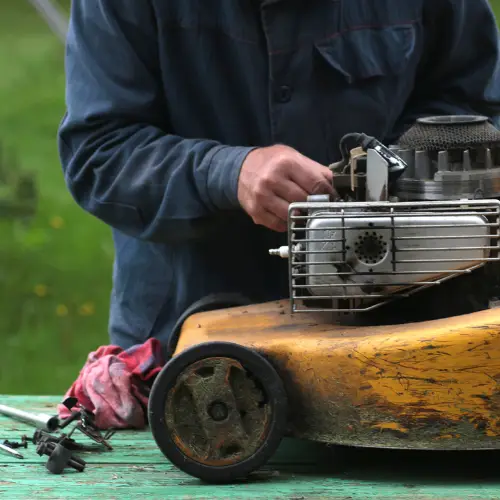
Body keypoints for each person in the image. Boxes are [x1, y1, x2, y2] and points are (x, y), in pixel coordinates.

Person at [58, 1, 500, 352]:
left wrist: (386, 176)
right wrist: (227, 173)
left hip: (402, 326)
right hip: (189, 337)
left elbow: (472, 111)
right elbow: (99, 154)